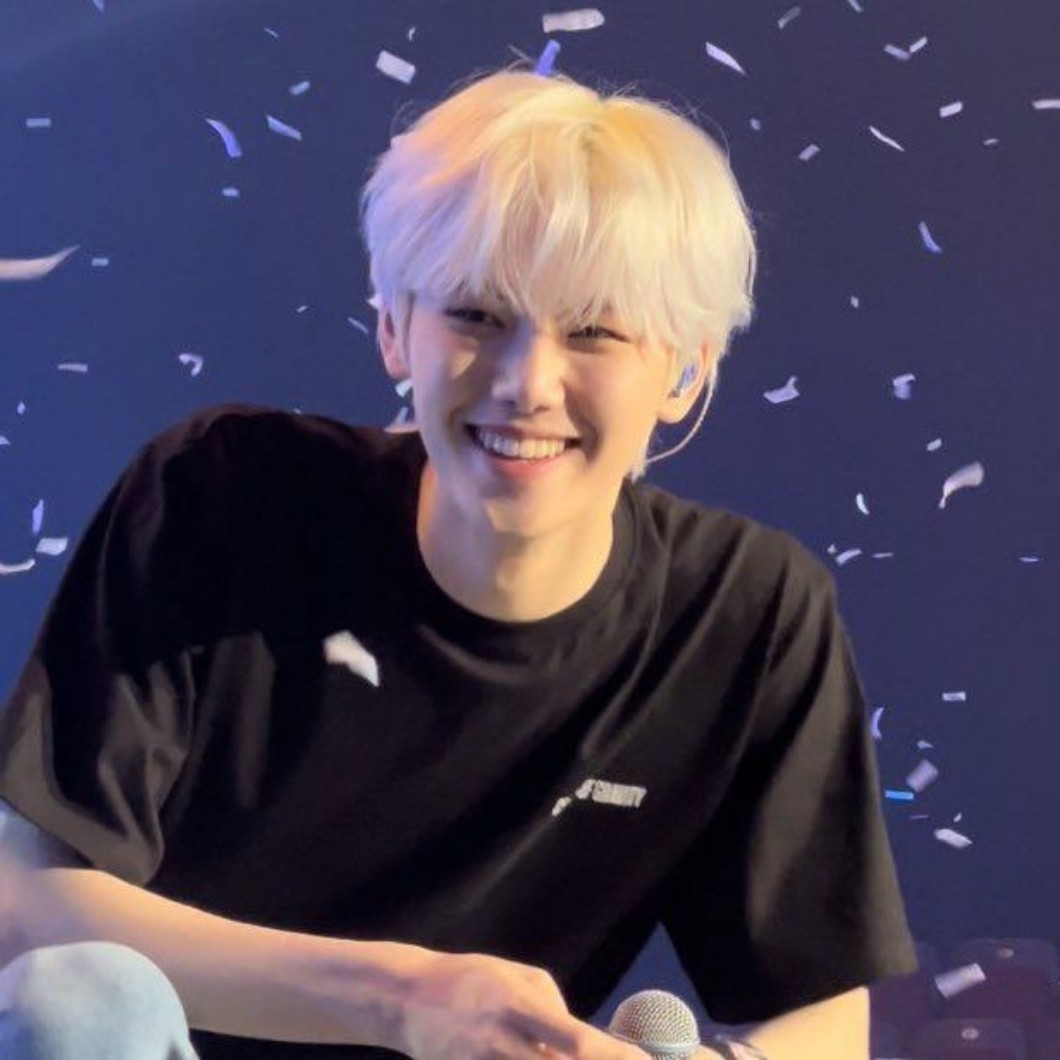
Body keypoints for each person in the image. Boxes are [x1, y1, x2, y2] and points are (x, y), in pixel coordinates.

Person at [0, 62, 916, 1059]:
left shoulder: (749, 612)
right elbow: (27, 913)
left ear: (685, 370)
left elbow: (822, 1014)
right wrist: (399, 999)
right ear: (395, 327)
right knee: (83, 1000)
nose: (528, 382)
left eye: (594, 331)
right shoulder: (222, 494)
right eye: (478, 315)